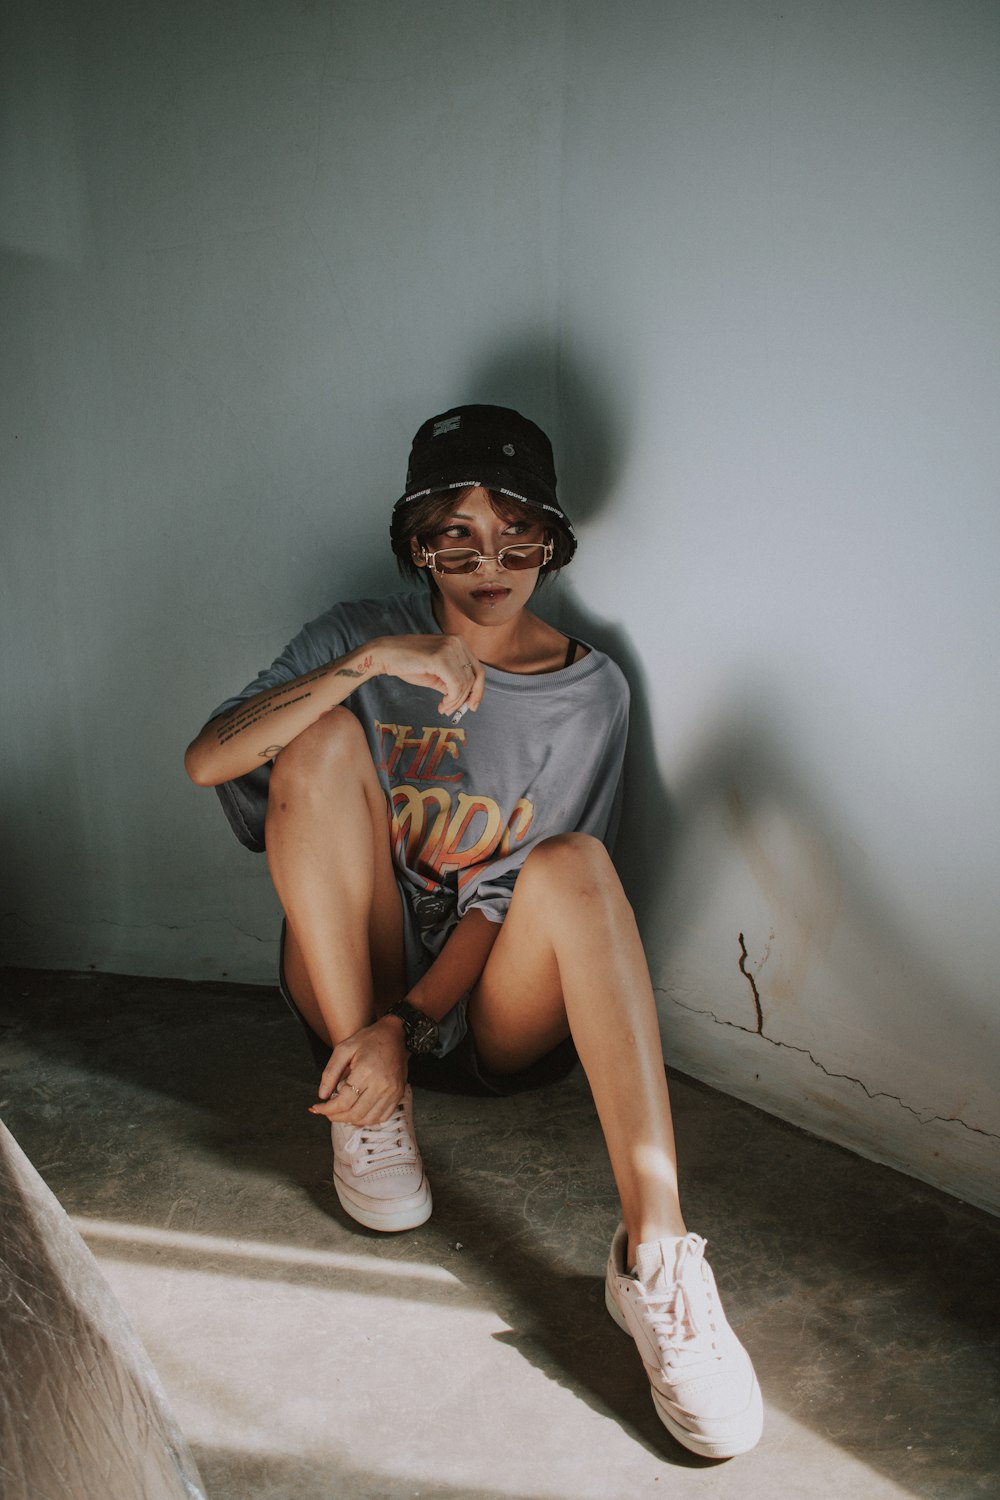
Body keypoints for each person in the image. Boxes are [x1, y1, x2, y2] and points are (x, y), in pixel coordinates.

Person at [184, 404, 763, 1459]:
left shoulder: (588, 696)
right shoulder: (357, 632)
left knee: (575, 866)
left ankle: (660, 1261)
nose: (487, 562)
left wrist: (413, 1021)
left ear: (550, 542)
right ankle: (370, 1113)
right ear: (418, 542)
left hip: (487, 1004)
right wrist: (368, 668)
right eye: (456, 534)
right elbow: (208, 761)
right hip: (348, 987)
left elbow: (505, 900)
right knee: (313, 743)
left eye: (516, 537)